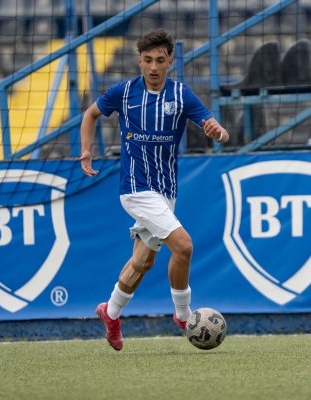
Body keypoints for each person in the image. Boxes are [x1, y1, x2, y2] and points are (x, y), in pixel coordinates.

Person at [79, 29, 229, 351]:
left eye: (160, 60)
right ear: (139, 61)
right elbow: (90, 114)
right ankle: (184, 316)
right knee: (184, 247)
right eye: (147, 60)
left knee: (142, 262)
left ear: (170, 62)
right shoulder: (123, 92)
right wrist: (86, 150)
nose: (153, 66)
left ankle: (110, 312)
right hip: (135, 189)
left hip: (166, 191)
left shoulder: (181, 95)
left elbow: (220, 132)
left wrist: (218, 133)